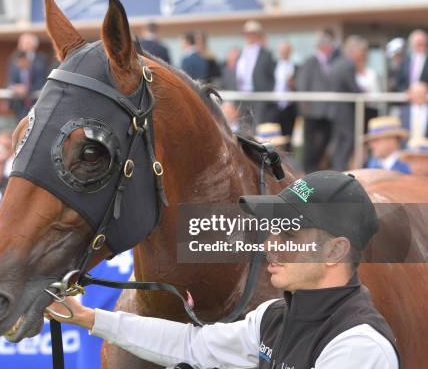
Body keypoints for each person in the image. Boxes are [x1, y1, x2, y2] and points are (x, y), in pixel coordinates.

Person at [46, 171, 399, 369]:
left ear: (335, 250)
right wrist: (88, 317)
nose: (269, 244)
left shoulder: (359, 347)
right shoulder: (274, 316)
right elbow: (190, 344)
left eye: (289, 233)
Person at [296, 30, 337, 173]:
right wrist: (305, 106)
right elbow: (302, 83)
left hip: (327, 111)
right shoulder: (310, 61)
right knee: (310, 142)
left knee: (325, 139)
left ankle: (316, 165)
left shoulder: (332, 62)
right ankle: (308, 168)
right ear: (323, 46)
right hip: (312, 110)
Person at [328, 35, 365, 171]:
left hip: (335, 111)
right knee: (347, 142)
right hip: (345, 111)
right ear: (353, 50)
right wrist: (364, 93)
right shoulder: (348, 64)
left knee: (339, 143)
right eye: (361, 50)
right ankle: (341, 171)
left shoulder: (336, 63)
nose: (362, 54)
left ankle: (338, 169)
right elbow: (353, 88)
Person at [235, 20, 276, 126]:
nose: (249, 36)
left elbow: (271, 78)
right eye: (247, 34)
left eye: (252, 33)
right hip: (242, 97)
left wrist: (266, 96)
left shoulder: (266, 54)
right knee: (242, 128)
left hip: (258, 98)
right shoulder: (242, 53)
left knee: (257, 128)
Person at [7, 33, 49, 120]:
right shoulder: (13, 58)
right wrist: (14, 87)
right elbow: (9, 79)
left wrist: (27, 89)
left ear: (33, 45)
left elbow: (44, 80)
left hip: (36, 102)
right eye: (21, 43)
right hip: (19, 104)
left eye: (25, 43)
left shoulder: (42, 59)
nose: (21, 45)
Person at [273, 40, 297, 144]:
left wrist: (293, 84)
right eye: (282, 50)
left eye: (286, 50)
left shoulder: (296, 66)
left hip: (289, 106)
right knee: (274, 136)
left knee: (288, 136)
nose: (284, 52)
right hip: (274, 105)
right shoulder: (273, 65)